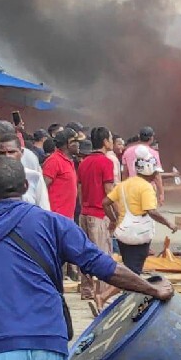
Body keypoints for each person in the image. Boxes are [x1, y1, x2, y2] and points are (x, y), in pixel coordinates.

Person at [0, 157, 174, 360]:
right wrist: (152, 289)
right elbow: (105, 267)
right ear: (26, 186)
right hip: (48, 343)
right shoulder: (54, 224)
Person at [94, 153, 177, 311]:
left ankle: (125, 300)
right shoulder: (146, 187)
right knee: (133, 274)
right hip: (138, 234)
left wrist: (114, 219)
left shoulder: (125, 184)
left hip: (123, 232)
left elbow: (106, 202)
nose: (157, 174)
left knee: (128, 268)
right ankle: (103, 296)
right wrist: (168, 223)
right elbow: (151, 211)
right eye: (155, 171)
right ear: (148, 170)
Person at [76, 127, 116, 301]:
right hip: (99, 215)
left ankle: (86, 290)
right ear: (105, 142)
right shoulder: (106, 162)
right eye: (111, 139)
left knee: (84, 253)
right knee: (102, 255)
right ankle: (101, 293)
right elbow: (109, 191)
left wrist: (83, 207)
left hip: (84, 214)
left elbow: (79, 189)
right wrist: (115, 216)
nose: (112, 142)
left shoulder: (84, 162)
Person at [0, 134, 51, 217]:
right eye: (2, 153)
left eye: (11, 152)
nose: (7, 156)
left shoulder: (35, 177)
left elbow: (44, 210)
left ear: (21, 153)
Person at [42, 129, 80, 219]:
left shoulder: (69, 161)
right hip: (55, 217)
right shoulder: (54, 161)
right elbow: (42, 188)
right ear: (67, 144)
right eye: (75, 142)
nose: (78, 144)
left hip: (67, 217)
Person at [122, 127, 164, 204]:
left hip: (132, 188)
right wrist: (161, 193)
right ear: (151, 138)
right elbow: (157, 175)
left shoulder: (127, 151)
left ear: (139, 137)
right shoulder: (153, 153)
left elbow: (125, 173)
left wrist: (124, 190)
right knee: (148, 211)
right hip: (148, 189)